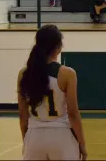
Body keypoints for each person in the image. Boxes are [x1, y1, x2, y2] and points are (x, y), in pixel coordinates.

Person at [17, 25, 87, 160]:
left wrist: (27, 140)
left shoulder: (24, 74)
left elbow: (22, 115)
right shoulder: (67, 73)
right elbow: (73, 113)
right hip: (61, 136)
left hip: (34, 135)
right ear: (58, 47)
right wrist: (82, 143)